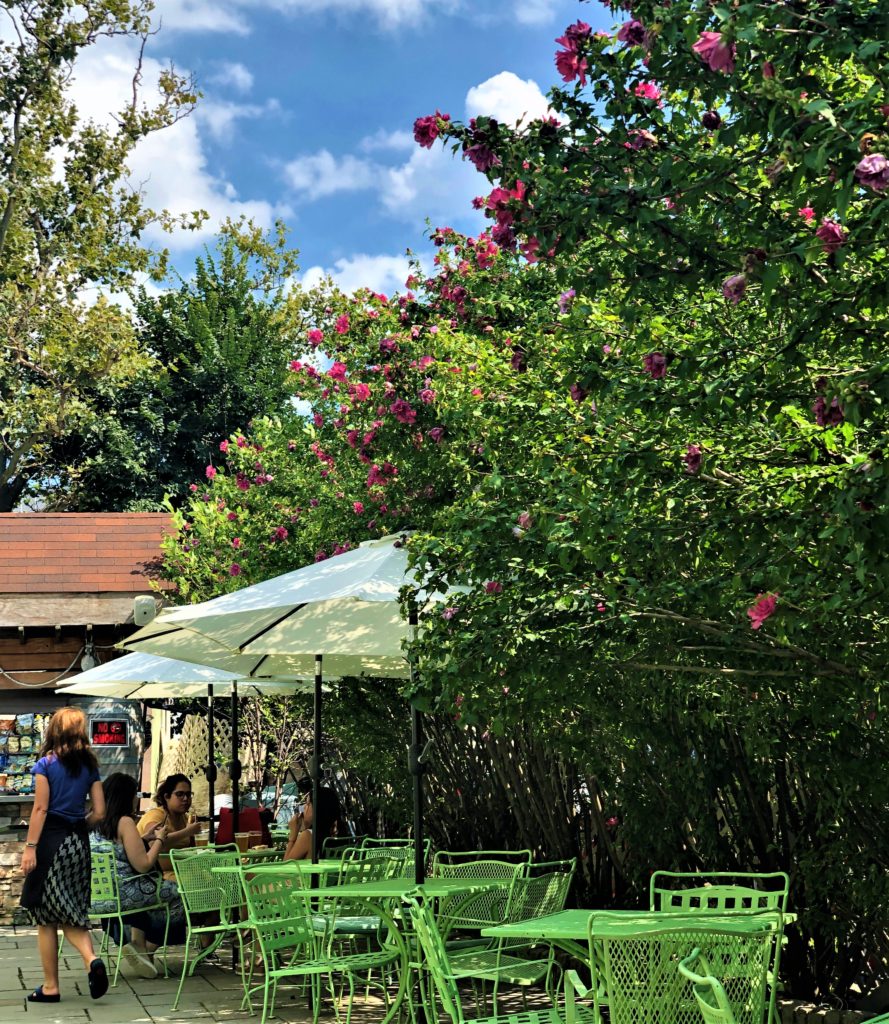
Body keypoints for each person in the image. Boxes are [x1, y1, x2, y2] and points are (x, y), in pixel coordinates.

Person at [20, 706, 108, 1003]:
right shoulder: (90, 767)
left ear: (54, 731)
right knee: (72, 912)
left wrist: (30, 848)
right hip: (78, 844)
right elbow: (100, 811)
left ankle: (50, 987)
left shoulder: (46, 764)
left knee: (46, 918)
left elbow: (41, 808)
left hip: (50, 843)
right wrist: (80, 825)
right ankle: (91, 959)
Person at [91, 773, 186, 978]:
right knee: (180, 896)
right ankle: (147, 948)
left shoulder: (94, 821)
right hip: (126, 894)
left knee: (148, 894)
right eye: (134, 793)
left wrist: (145, 838)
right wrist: (159, 839)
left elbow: (118, 850)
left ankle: (138, 945)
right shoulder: (124, 821)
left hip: (97, 898)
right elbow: (143, 865)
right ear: (125, 796)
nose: (136, 798)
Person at [137, 773, 202, 881]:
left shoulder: (185, 819)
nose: (185, 798)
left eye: (188, 794)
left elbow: (192, 850)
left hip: (183, 871)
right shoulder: (156, 815)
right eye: (180, 794)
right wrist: (186, 832)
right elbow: (154, 842)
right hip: (155, 876)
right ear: (166, 796)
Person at [283, 785, 340, 861]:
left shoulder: (308, 836)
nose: (304, 808)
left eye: (307, 804)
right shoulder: (339, 834)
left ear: (318, 808)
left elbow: (285, 867)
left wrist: (293, 836)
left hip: (310, 873)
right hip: (329, 873)